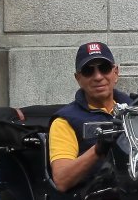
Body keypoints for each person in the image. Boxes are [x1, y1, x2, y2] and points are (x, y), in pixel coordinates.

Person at [48, 41, 131, 191]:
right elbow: (61, 180)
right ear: (78, 78)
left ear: (116, 72)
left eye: (104, 68)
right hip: (93, 199)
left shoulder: (135, 108)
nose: (98, 76)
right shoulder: (65, 121)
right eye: (88, 71)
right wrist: (98, 149)